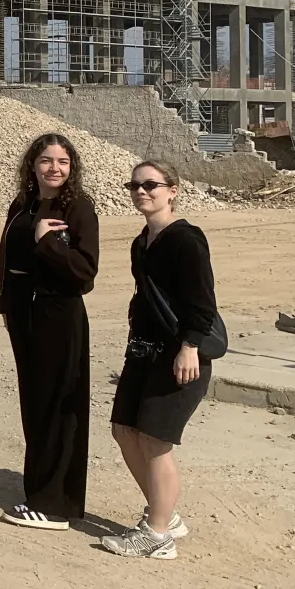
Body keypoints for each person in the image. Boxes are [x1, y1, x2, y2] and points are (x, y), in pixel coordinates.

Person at [102, 161, 215, 560]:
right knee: (123, 429)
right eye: (134, 185)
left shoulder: (186, 239)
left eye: (150, 184)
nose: (141, 191)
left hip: (179, 355)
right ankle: (165, 513)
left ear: (173, 190)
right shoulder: (141, 242)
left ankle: (158, 534)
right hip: (144, 352)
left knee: (155, 440)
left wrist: (190, 347)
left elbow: (202, 302)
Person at [0, 133, 99, 531]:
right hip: (24, 314)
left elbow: (85, 272)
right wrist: (5, 303)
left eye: (63, 162)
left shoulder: (79, 208)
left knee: (58, 409)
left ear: (72, 168)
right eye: (46, 160)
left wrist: (48, 242)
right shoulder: (23, 205)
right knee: (34, 407)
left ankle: (55, 504)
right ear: (32, 165)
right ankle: (37, 491)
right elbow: (8, 258)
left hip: (58, 314)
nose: (54, 168)